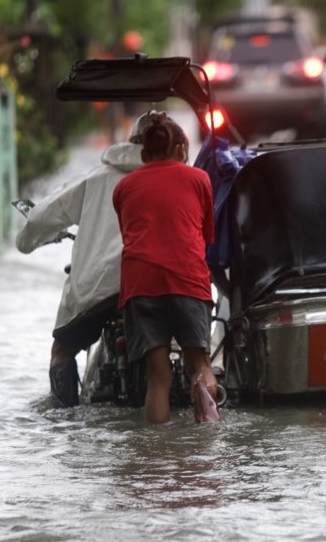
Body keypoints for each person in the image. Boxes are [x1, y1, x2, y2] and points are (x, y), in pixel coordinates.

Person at [16, 112, 154, 408]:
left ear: (130, 141)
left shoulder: (97, 178)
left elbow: (43, 215)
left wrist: (24, 242)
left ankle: (64, 417)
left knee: (62, 351)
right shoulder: (179, 178)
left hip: (99, 288)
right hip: (156, 286)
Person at [112, 113, 219, 424]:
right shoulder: (199, 179)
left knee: (157, 379)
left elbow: (130, 235)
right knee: (199, 366)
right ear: (182, 150)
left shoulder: (123, 187)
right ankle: (209, 441)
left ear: (144, 155)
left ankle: (156, 455)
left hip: (141, 283)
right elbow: (206, 238)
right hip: (187, 278)